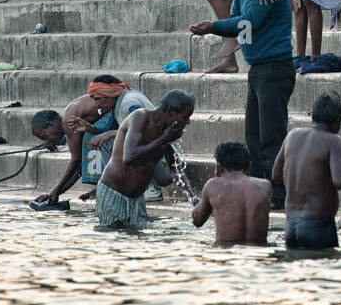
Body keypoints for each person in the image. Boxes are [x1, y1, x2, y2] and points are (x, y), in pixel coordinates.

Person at [190, 0, 297, 208]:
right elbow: (237, 18)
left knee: (271, 137)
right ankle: (260, 189)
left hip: (274, 70)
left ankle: (278, 193)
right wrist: (221, 25)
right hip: (259, 70)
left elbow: (247, 23)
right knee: (254, 136)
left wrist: (213, 26)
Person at [30, 76, 166, 204]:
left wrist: (56, 191)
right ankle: (118, 186)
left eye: (97, 99)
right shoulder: (118, 102)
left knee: (112, 141)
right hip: (157, 156)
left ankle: (149, 188)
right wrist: (91, 129)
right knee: (105, 140)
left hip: (161, 160)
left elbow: (145, 131)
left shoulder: (129, 103)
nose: (95, 104)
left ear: (109, 96)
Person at [97, 90, 195, 229]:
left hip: (137, 199)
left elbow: (174, 167)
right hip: (114, 193)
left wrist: (192, 197)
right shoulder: (140, 117)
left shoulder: (165, 131)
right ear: (171, 113)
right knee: (115, 241)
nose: (188, 122)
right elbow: (129, 157)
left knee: (137, 242)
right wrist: (164, 139)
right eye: (185, 117)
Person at [272, 94, 341, 249]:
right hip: (318, 224)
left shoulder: (292, 135)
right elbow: (340, 181)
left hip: (290, 225)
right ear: (337, 120)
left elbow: (275, 175)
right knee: (324, 269)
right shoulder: (334, 141)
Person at [193, 141, 272, 245]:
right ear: (249, 167)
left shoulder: (213, 186)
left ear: (219, 167)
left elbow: (197, 220)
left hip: (226, 252)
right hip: (259, 252)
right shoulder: (265, 186)